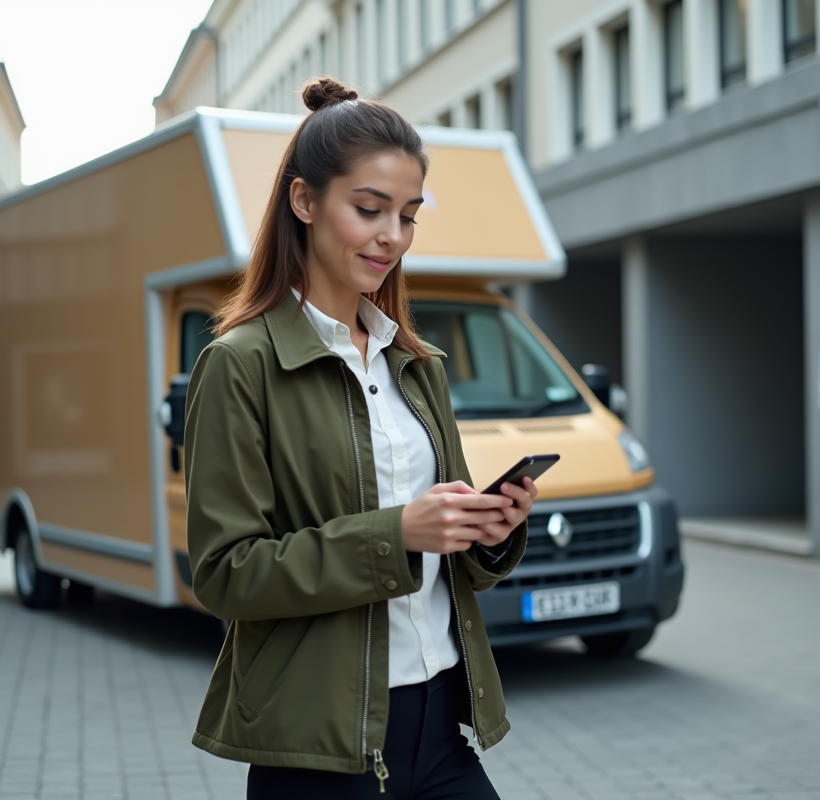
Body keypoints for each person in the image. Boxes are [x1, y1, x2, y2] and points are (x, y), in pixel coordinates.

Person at [183, 77, 535, 799]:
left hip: (442, 724)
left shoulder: (419, 365)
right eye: (370, 210)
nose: (392, 237)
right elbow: (226, 574)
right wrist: (396, 534)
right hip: (319, 748)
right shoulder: (240, 365)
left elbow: (450, 559)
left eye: (408, 216)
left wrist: (487, 531)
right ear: (304, 201)